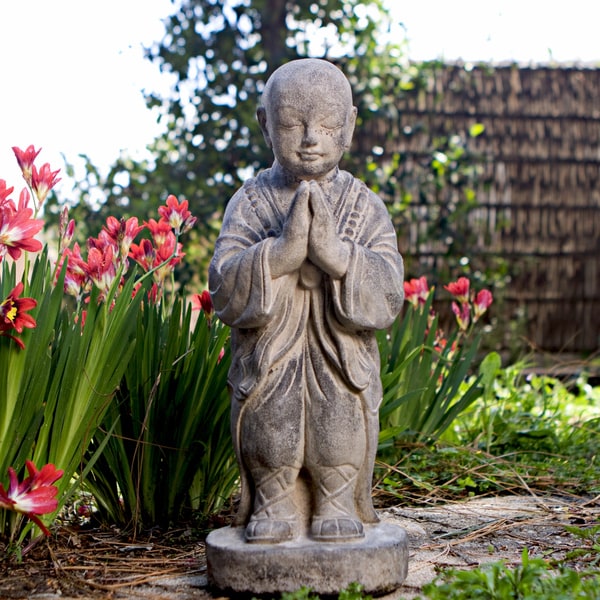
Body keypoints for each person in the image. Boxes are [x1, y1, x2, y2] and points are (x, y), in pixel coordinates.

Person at [208, 58, 404, 544]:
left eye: (329, 124)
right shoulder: (251, 202)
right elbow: (223, 287)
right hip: (274, 352)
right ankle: (274, 500)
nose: (311, 137)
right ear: (265, 124)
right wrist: (280, 254)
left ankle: (337, 500)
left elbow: (389, 291)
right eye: (293, 122)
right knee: (271, 426)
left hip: (338, 353)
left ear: (350, 127)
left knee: (337, 423)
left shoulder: (363, 205)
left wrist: (337, 256)